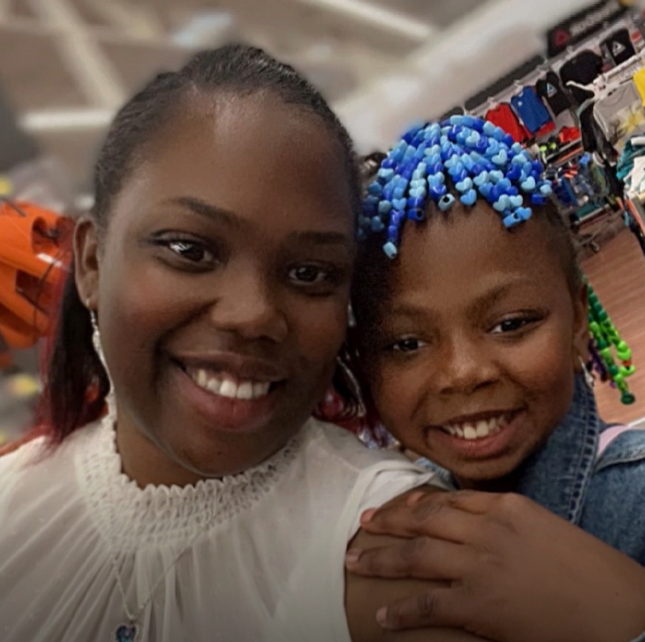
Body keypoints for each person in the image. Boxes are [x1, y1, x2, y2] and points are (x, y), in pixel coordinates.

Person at [0, 47, 489, 642]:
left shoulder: (395, 555)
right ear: (94, 262)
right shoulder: (13, 502)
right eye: (189, 250)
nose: (253, 314)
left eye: (310, 273)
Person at [340, 115, 645, 642]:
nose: (463, 374)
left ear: (578, 320)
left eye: (510, 324)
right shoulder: (390, 529)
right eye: (406, 344)